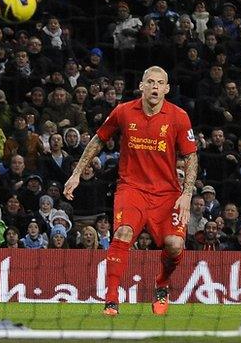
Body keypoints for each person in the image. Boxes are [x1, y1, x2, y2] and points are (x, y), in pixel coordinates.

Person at [64, 66, 198, 316]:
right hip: (131, 189)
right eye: (150, 81)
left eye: (160, 82)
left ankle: (162, 283)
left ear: (167, 89)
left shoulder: (178, 117)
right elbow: (98, 140)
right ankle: (111, 299)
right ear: (142, 86)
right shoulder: (124, 111)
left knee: (174, 245)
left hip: (167, 193)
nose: (155, 86)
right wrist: (76, 174)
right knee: (123, 233)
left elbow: (191, 156)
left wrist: (187, 194)